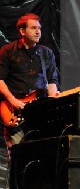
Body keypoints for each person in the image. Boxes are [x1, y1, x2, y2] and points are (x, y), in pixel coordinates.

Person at [0, 13, 60, 149]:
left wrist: (52, 98)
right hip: (14, 111)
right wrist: (12, 101)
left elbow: (52, 80)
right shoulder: (7, 51)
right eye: (33, 28)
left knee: (41, 150)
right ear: (22, 31)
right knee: (17, 151)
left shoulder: (46, 53)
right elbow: (0, 80)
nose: (38, 31)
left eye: (39, 28)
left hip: (39, 111)